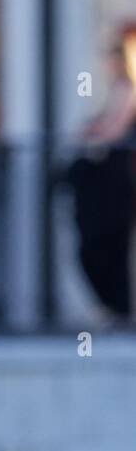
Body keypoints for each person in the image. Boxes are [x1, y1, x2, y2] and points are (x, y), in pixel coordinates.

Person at [68, 25, 136, 321]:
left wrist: (93, 136)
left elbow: (112, 132)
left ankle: (118, 307)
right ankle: (114, 306)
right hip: (109, 182)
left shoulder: (129, 89)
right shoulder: (118, 90)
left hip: (120, 182)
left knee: (109, 245)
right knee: (96, 247)